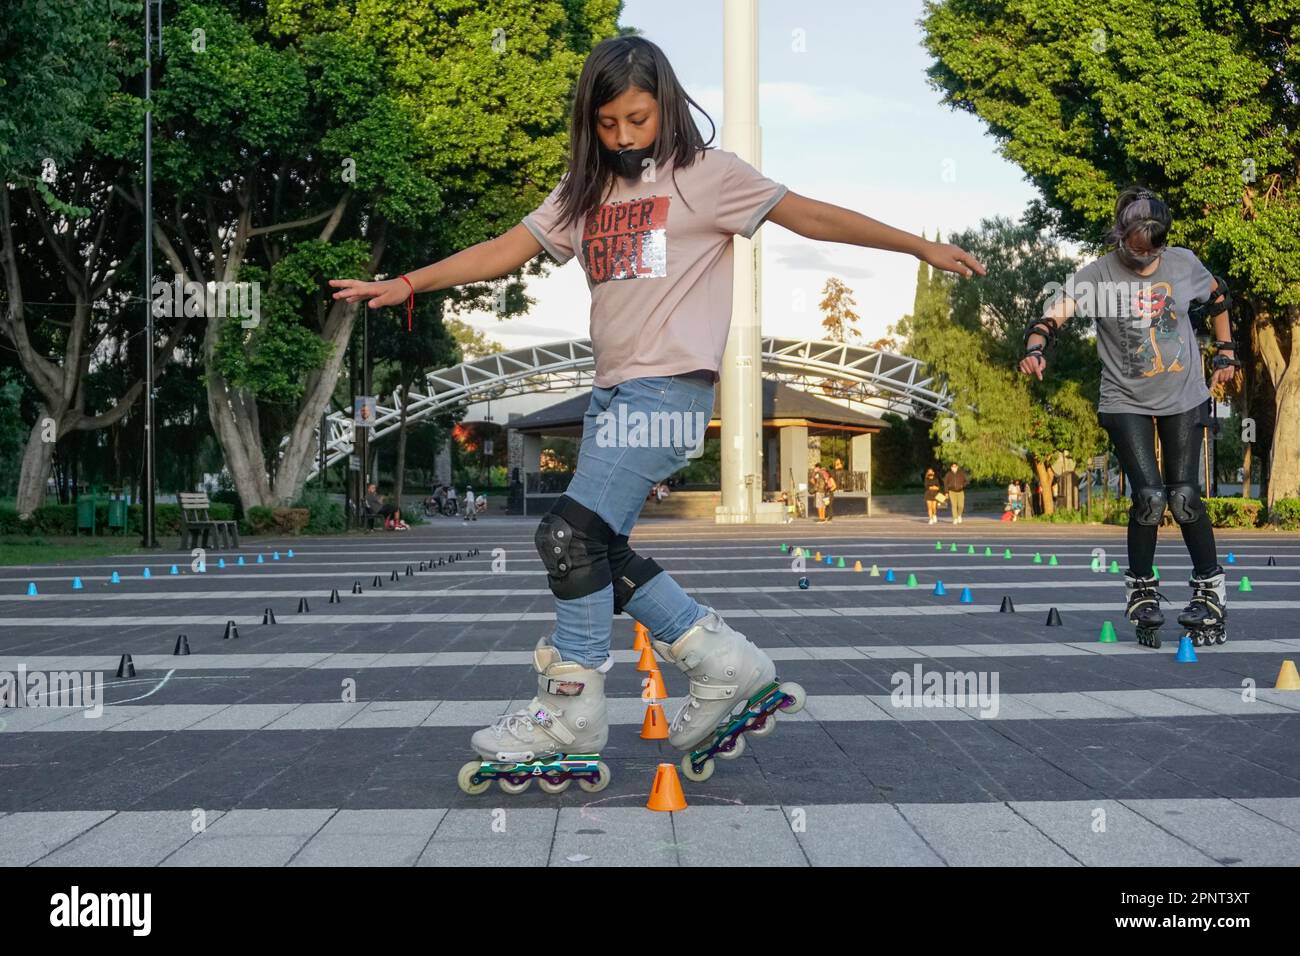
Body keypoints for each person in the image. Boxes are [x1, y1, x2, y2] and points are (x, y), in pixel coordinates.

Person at [331, 36, 984, 789]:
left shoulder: (706, 177)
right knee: (598, 551)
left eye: (637, 118)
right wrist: (409, 283)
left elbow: (810, 216)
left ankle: (569, 710)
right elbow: (505, 249)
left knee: (567, 536)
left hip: (670, 390)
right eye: (607, 123)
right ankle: (723, 663)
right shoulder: (583, 192)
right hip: (614, 394)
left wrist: (915, 249)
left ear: (665, 105)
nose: (624, 137)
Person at [1022, 185, 1236, 647]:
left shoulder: (1183, 263)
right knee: (1150, 499)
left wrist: (1226, 353)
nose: (1141, 260)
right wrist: (1036, 346)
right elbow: (1054, 314)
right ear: (1119, 236)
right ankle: (1141, 589)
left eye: (1149, 251)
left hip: (1183, 394)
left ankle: (1210, 591)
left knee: (1183, 496)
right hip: (1123, 399)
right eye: (1132, 250)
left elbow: (1219, 299)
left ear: (1162, 242)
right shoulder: (1097, 275)